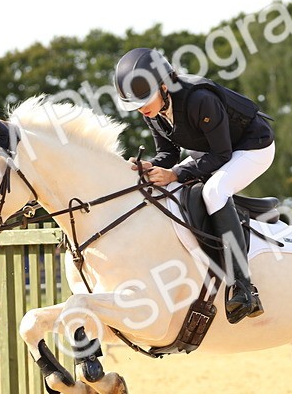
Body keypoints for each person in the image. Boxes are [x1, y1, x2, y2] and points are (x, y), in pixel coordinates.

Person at [113, 48, 275, 324]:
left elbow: (222, 155)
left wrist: (175, 174)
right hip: (210, 151)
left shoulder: (200, 100)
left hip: (252, 147)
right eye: (135, 104)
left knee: (215, 191)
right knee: (167, 186)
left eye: (144, 100)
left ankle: (244, 287)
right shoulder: (153, 111)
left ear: (164, 86)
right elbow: (168, 154)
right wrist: (152, 166)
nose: (141, 108)